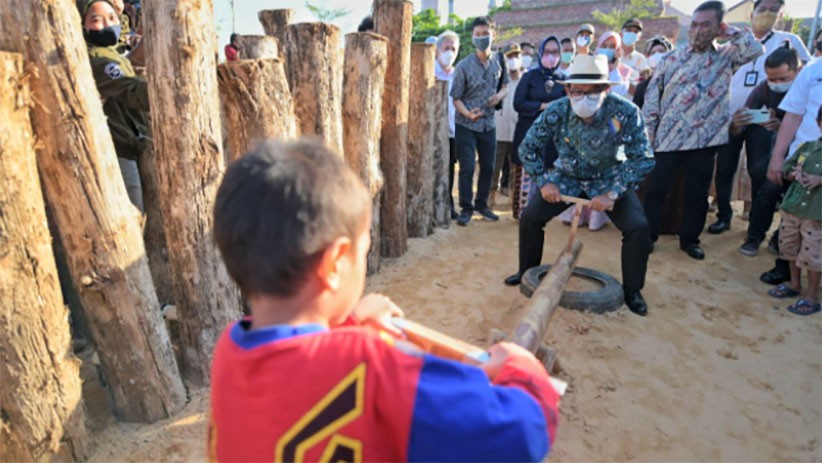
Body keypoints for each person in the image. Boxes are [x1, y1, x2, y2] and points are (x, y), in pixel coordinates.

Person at [208, 139, 561, 461]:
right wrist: (523, 368)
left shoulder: (229, 351)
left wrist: (344, 322)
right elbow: (522, 432)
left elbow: (298, 369)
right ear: (334, 263)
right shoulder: (371, 365)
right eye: (365, 250)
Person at [504, 55, 655, 316]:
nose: (583, 98)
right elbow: (527, 148)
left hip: (609, 178)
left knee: (638, 227)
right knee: (530, 217)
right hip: (568, 177)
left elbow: (643, 158)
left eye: (591, 92)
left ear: (606, 89)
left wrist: (614, 192)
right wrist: (543, 182)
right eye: (577, 92)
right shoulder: (557, 109)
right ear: (567, 89)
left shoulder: (626, 112)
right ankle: (526, 272)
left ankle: (632, 289)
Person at [643, 0, 763, 260]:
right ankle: (648, 236)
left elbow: (755, 50)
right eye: (694, 24)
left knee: (697, 195)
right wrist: (649, 134)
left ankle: (690, 240)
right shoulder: (670, 58)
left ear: (718, 27)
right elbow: (652, 98)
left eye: (705, 25)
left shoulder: (726, 57)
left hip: (705, 140)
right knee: (656, 190)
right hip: (668, 139)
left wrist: (731, 33)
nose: (697, 30)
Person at [708, 0, 810, 235]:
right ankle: (724, 215)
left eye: (774, 9)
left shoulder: (788, 41)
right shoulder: (735, 42)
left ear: (781, 13)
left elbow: (804, 73)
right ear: (751, 12)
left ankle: (755, 220)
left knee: (757, 169)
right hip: (732, 114)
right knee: (724, 169)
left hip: (764, 118)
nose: (767, 13)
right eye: (763, 8)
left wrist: (782, 119)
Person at [80, 0, 150, 212]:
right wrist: (170, 84)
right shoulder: (99, 60)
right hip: (119, 154)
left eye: (112, 18)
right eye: (96, 20)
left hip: (131, 146)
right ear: (83, 25)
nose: (108, 25)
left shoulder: (108, 51)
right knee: (134, 218)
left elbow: (124, 53)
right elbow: (133, 93)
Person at [736, 46, 801, 258]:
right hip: (778, 154)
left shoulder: (809, 88)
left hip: (805, 154)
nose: (777, 84)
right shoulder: (764, 89)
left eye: (783, 78)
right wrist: (742, 120)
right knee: (767, 191)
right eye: (772, 79)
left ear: (797, 70)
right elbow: (746, 115)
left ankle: (779, 239)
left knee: (795, 200)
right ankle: (754, 237)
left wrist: (781, 125)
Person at [762, 57, 822, 284]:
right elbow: (793, 115)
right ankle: (787, 272)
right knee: (793, 221)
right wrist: (777, 158)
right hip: (803, 162)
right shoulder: (813, 70)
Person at [451, 17, 509, 226]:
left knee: (489, 166)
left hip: (489, 124)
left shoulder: (500, 61)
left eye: (486, 33)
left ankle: (482, 204)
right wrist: (468, 114)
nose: (482, 38)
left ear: (493, 35)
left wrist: (499, 97)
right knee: (467, 167)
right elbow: (455, 98)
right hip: (466, 124)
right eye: (478, 34)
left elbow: (505, 86)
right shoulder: (463, 66)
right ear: (472, 37)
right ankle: (466, 208)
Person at [765, 106, 821, 315]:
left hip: (816, 214)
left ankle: (812, 295)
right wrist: (794, 173)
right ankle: (794, 283)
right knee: (789, 245)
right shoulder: (807, 147)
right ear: (818, 123)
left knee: (812, 254)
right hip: (794, 207)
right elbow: (786, 169)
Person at [511, 36, 566, 220]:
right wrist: (542, 106)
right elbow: (518, 103)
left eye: (555, 52)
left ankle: (541, 215)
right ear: (541, 53)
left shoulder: (564, 80)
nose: (552, 56)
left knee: (548, 175)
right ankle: (522, 213)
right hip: (529, 132)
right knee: (526, 174)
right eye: (548, 51)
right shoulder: (529, 76)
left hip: (552, 138)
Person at [492, 43, 524, 203]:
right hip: (498, 130)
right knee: (494, 166)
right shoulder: (497, 79)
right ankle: (489, 197)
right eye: (509, 57)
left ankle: (514, 200)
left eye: (516, 56)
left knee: (517, 168)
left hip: (518, 130)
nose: (513, 60)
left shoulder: (525, 80)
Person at [435, 30, 460, 219]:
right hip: (431, 131)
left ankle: (448, 204)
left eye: (453, 48)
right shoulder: (428, 70)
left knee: (449, 168)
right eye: (446, 48)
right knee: (432, 167)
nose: (449, 52)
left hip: (452, 131)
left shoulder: (458, 75)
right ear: (437, 50)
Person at [633, 35, 674, 108]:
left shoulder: (676, 82)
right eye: (653, 52)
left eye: (661, 51)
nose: (657, 55)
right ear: (648, 58)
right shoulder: (642, 88)